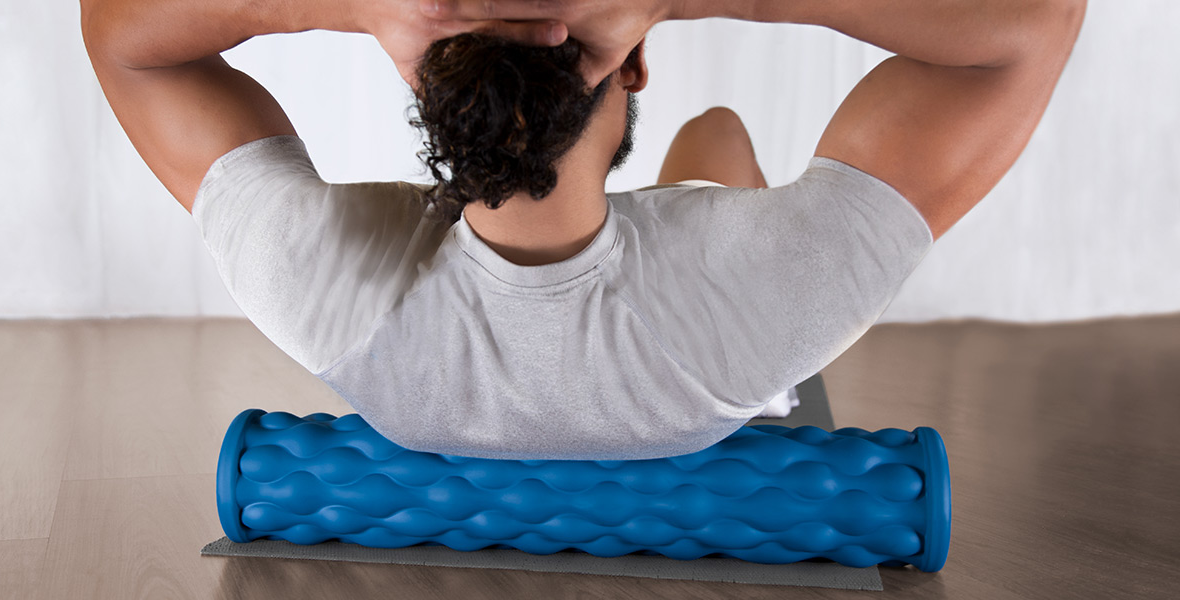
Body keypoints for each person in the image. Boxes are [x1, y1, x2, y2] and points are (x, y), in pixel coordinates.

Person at [80, 0, 1085, 460]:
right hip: (709, 362)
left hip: (587, 356)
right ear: (634, 63)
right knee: (717, 133)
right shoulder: (765, 295)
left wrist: (365, 7)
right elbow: (1036, 19)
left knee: (713, 175)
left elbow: (121, 35)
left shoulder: (327, 291)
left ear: (426, 84)